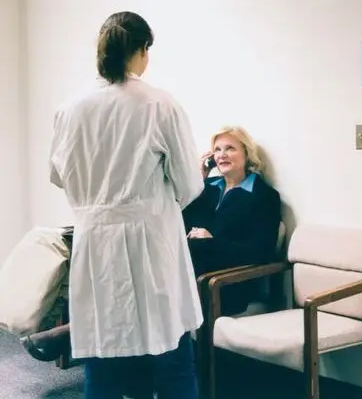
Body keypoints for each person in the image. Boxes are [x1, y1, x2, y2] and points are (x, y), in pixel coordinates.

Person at [45, 11, 205, 399]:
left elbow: (58, 176)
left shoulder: (71, 109)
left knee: (104, 358)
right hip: (151, 246)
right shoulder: (159, 104)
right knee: (173, 358)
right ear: (141, 51)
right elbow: (189, 185)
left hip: (96, 246)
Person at [22, 127, 283, 364]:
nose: (221, 155)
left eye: (230, 148)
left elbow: (261, 251)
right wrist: (197, 180)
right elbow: (176, 222)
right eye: (217, 149)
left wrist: (213, 243)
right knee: (137, 278)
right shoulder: (208, 188)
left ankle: (74, 332)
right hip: (180, 278)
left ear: (247, 154)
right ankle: (101, 348)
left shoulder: (264, 196)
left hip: (222, 284)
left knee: (141, 297)